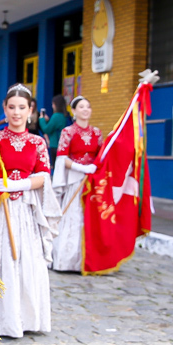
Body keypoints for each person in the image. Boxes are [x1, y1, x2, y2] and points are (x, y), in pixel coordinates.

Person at [0, 85, 60, 338]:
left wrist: (19, 184)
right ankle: (1, 319)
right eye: (11, 107)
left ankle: (27, 318)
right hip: (1, 210)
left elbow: (44, 176)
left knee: (27, 260)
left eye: (22, 108)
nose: (16, 113)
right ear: (4, 109)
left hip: (27, 211)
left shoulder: (37, 142)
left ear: (30, 111)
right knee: (2, 259)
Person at [51, 96, 100, 272]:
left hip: (91, 181)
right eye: (81, 107)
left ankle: (87, 260)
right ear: (74, 111)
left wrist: (94, 167)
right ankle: (66, 260)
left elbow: (101, 155)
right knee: (73, 215)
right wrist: (81, 168)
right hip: (74, 180)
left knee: (89, 218)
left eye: (88, 106)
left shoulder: (96, 133)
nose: (85, 109)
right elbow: (62, 158)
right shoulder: (68, 132)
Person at [39, 95, 72, 167]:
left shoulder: (56, 116)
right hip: (65, 144)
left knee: (55, 167)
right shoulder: (66, 115)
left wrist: (41, 119)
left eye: (53, 104)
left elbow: (46, 129)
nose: (52, 106)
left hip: (55, 144)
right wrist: (48, 121)